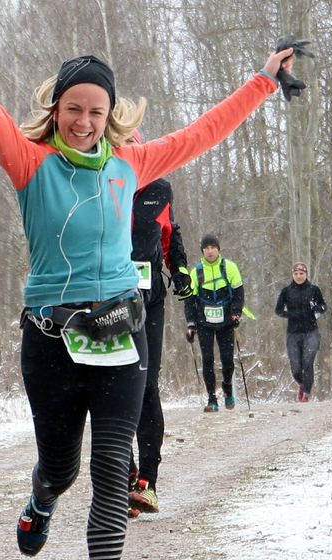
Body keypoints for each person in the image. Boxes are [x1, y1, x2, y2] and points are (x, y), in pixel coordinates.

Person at [0, 3, 297, 560]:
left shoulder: (129, 164)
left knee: (111, 471)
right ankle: (42, 496)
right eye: (73, 109)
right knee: (62, 466)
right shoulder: (30, 163)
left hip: (116, 339)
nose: (84, 121)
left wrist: (263, 79)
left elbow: (204, 132)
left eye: (95, 111)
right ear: (57, 112)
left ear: (109, 117)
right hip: (49, 341)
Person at [125, 132, 191, 519]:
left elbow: (170, 232)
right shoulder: (100, 181)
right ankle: (123, 470)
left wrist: (179, 270)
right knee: (113, 386)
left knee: (147, 384)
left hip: (149, 302)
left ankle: (147, 481)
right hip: (108, 300)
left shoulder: (160, 187)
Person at [185, 234, 244, 413]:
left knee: (227, 360)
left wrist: (236, 314)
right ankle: (212, 398)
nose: (210, 251)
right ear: (202, 251)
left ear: (218, 249)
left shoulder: (230, 268)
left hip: (226, 321)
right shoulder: (196, 272)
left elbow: (239, 293)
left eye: (213, 247)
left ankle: (227, 387)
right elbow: (189, 300)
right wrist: (190, 324)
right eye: (206, 248)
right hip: (204, 323)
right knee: (208, 359)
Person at [274, 261, 327, 402]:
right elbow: (278, 310)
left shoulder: (313, 290)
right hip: (293, 332)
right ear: (292, 274)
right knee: (296, 367)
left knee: (308, 362)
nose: (299, 276)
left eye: (301, 273)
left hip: (311, 331)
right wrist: (290, 315)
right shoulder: (286, 291)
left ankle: (307, 394)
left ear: (306, 274)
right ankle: (302, 384)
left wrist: (318, 309)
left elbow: (323, 305)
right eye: (296, 273)